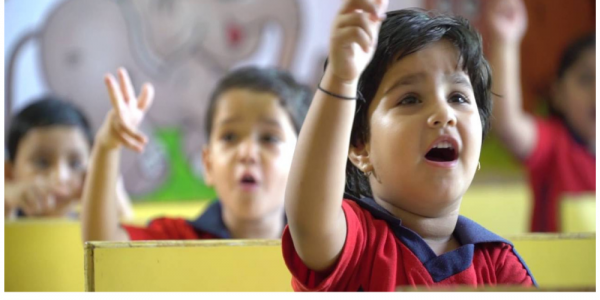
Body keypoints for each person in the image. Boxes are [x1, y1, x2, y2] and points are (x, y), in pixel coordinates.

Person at [282, 0, 536, 291]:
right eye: (410, 99)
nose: (444, 114)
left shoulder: (500, 266)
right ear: (360, 148)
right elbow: (309, 221)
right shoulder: (354, 243)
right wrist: (341, 78)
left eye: (458, 98)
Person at [81, 66, 311, 241]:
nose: (247, 153)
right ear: (208, 165)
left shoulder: (319, 249)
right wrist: (107, 146)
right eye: (229, 137)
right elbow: (103, 247)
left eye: (269, 138)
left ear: (303, 166)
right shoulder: (179, 240)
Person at [484, 0, 595, 232]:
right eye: (586, 78)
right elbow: (507, 124)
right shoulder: (555, 143)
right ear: (558, 94)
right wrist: (506, 40)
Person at [5, 97, 132, 220]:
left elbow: (125, 236)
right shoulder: (8, 217)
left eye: (75, 164)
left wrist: (109, 190)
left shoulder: (93, 227)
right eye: (42, 162)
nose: (60, 176)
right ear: (9, 172)